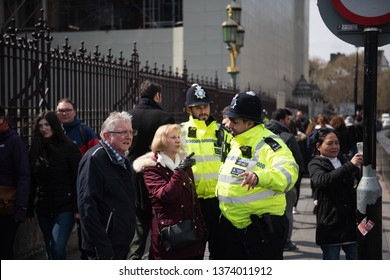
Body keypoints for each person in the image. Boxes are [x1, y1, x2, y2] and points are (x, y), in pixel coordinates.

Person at [216, 91, 299, 260]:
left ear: (249, 123)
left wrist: (260, 176)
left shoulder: (270, 143)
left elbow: (289, 171)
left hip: (259, 230)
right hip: (233, 227)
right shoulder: (237, 140)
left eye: (234, 121)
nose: (229, 125)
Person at [132, 124, 207, 259]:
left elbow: (193, 199)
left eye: (178, 137)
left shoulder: (184, 163)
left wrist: (202, 229)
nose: (178, 140)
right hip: (169, 238)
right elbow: (167, 195)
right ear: (161, 141)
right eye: (173, 137)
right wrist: (180, 171)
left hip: (191, 237)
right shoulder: (151, 168)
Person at [180, 83, 231, 259]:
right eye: (198, 107)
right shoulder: (180, 132)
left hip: (218, 202)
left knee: (220, 251)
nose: (203, 111)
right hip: (192, 203)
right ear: (189, 109)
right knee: (193, 253)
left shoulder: (222, 133)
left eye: (205, 106)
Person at [77, 111, 136, 260]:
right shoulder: (95, 159)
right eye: (122, 132)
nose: (128, 136)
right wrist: (102, 249)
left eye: (130, 132)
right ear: (106, 135)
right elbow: (87, 207)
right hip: (103, 248)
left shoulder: (123, 158)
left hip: (120, 243)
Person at [127, 80, 175, 260]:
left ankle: (134, 260)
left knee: (139, 225)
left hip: (132, 174)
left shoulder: (128, 116)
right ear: (157, 96)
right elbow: (171, 149)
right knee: (159, 224)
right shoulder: (164, 118)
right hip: (157, 175)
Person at [29, 111, 82, 259]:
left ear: (54, 126)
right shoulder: (36, 148)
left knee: (58, 246)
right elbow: (31, 179)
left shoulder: (69, 147)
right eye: (40, 126)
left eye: (47, 125)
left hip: (65, 205)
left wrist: (77, 207)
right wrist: (28, 207)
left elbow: (77, 178)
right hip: (43, 205)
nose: (43, 128)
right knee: (49, 246)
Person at [308, 127, 362, 260]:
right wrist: (350, 166)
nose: (335, 146)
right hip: (330, 225)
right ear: (318, 146)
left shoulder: (343, 159)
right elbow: (323, 180)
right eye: (330, 143)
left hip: (350, 224)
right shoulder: (315, 164)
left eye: (337, 143)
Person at [56, 98, 99, 259]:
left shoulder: (84, 131)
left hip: (81, 189)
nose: (64, 113)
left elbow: (95, 157)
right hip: (60, 192)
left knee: (85, 238)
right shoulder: (52, 131)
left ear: (75, 112)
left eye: (67, 110)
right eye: (60, 110)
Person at [265, 108, 303, 251]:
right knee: (286, 212)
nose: (289, 121)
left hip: (264, 181)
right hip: (285, 183)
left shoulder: (261, 133)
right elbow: (298, 161)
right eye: (287, 119)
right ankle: (286, 241)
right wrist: (294, 182)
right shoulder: (287, 136)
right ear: (281, 120)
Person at [0, 106, 30, 260]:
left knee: (5, 249)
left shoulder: (14, 141)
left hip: (7, 206)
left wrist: (21, 208)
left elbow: (23, 175)